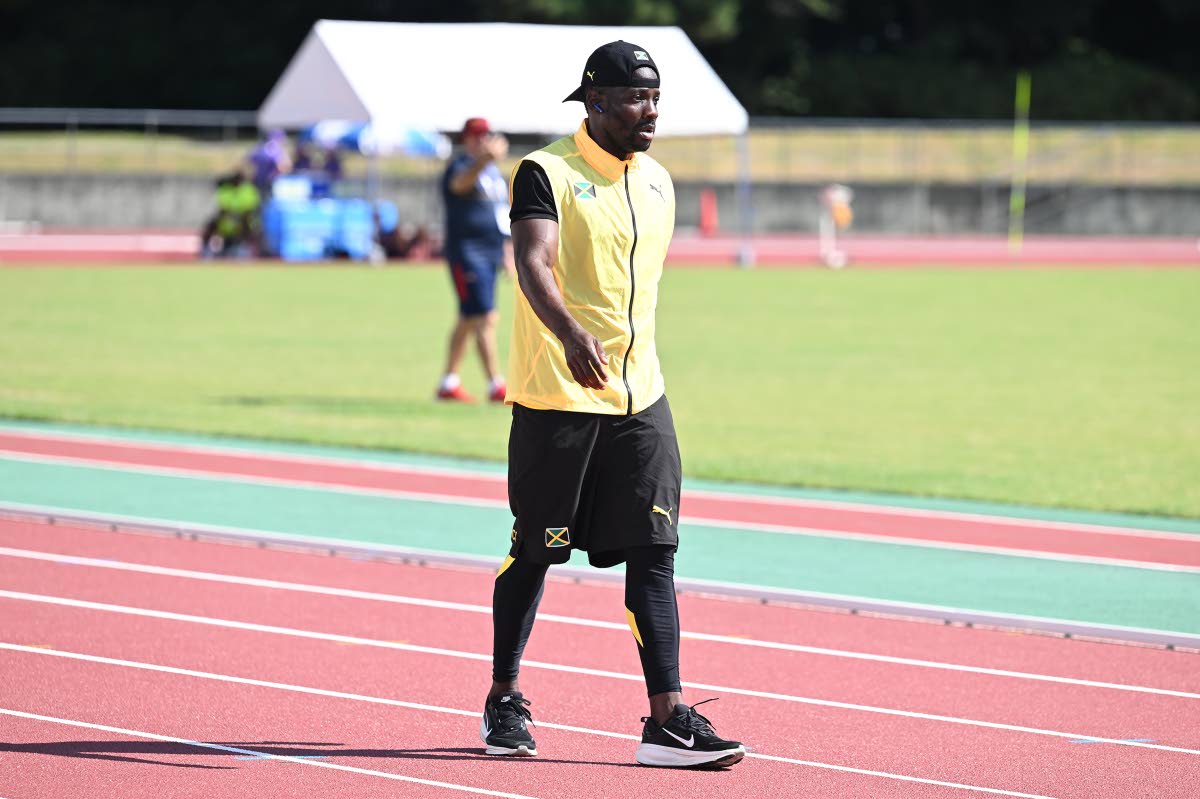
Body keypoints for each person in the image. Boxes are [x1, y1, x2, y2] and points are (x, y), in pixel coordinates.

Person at [480, 41, 746, 769]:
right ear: (594, 101)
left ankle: (667, 719)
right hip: (558, 397)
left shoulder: (658, 181)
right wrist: (570, 333)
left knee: (656, 551)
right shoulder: (546, 171)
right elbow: (532, 260)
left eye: (655, 98)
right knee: (537, 551)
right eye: (635, 98)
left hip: (641, 398)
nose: (649, 111)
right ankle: (505, 695)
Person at [436, 117, 512, 403]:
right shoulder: (461, 166)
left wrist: (506, 251)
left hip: (490, 251)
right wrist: (483, 161)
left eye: (486, 136)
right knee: (485, 317)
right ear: (466, 139)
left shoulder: (493, 173)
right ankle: (496, 384)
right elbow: (459, 185)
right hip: (467, 252)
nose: (482, 141)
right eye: (477, 136)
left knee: (469, 317)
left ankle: (449, 382)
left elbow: (500, 214)